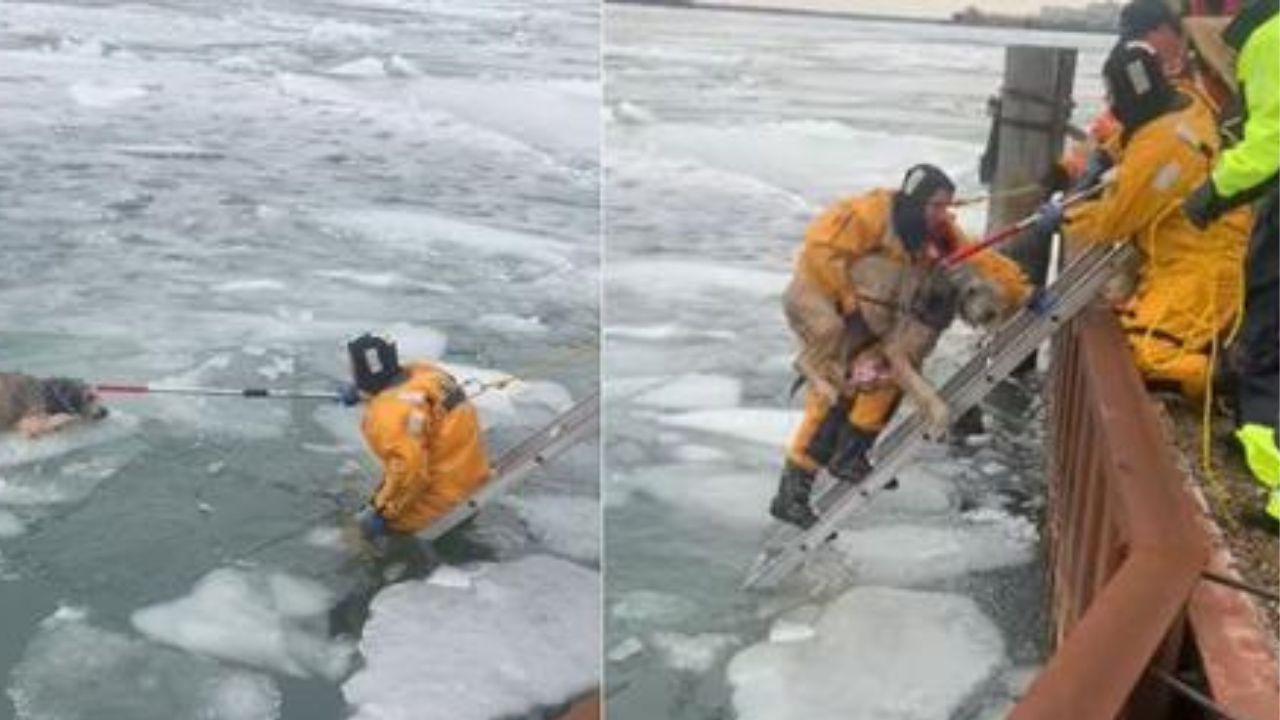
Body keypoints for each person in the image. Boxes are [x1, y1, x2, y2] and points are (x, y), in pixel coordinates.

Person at [770, 165, 1029, 529]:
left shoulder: (939, 233)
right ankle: (791, 493)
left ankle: (850, 456)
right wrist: (846, 309)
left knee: (883, 382)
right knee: (831, 398)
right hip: (831, 308)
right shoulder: (867, 215)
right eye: (936, 206)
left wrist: (1021, 291)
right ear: (913, 201)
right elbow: (820, 253)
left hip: (879, 321)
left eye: (947, 206)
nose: (944, 215)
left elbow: (979, 258)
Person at [1042, 43, 1249, 403]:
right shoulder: (1184, 102)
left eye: (1114, 94)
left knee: (1142, 356)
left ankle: (1228, 375)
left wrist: (1066, 216)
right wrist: (1104, 157)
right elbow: (1135, 132)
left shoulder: (1161, 152)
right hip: (1188, 255)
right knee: (1128, 330)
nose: (1112, 104)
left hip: (1200, 271)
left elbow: (1112, 224)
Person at [1181, 0, 1278, 517]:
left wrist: (1210, 194)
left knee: (1268, 343)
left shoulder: (1269, 38)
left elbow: (1271, 146)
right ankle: (1256, 439)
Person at [345, 333, 491, 540]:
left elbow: (410, 472)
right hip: (471, 475)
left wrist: (381, 513)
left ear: (365, 370)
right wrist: (364, 392)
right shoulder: (427, 374)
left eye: (353, 367)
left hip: (443, 500)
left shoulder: (387, 412)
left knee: (356, 533)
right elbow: (407, 403)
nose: (351, 372)